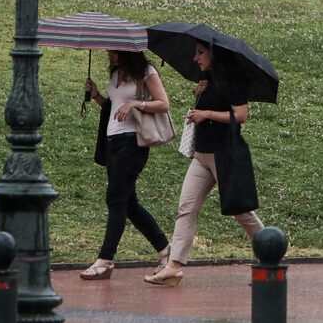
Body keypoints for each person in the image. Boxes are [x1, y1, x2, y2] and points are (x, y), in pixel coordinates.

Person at [146, 40, 262, 286]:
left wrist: (205, 113)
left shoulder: (231, 80)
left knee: (241, 211)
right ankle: (174, 266)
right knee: (186, 207)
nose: (195, 58)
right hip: (202, 154)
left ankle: (269, 254)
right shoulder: (207, 81)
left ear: (214, 54)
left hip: (225, 154)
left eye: (200, 53)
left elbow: (241, 115)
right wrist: (201, 95)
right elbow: (210, 106)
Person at [80, 50, 172, 280]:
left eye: (114, 51)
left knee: (115, 198)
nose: (110, 54)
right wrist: (96, 95)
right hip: (113, 143)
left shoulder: (146, 73)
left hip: (133, 142)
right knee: (129, 203)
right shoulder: (116, 74)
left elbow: (163, 104)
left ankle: (105, 260)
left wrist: (135, 104)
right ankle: (165, 249)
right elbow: (113, 107)